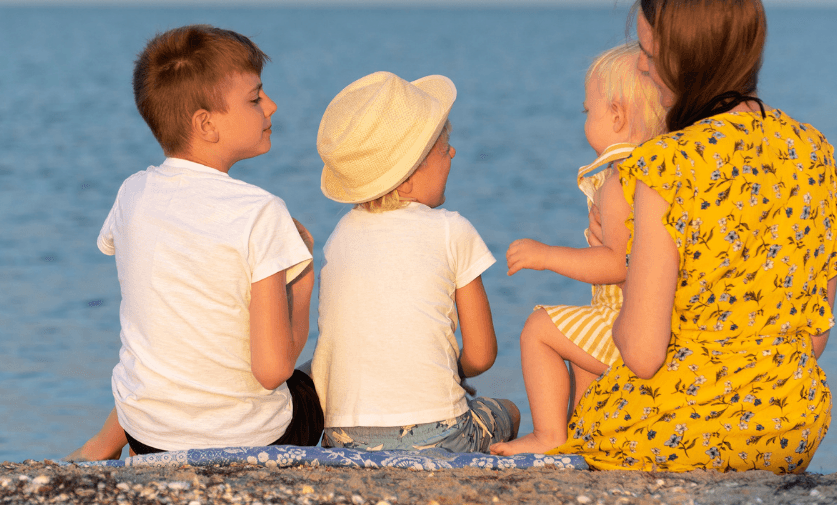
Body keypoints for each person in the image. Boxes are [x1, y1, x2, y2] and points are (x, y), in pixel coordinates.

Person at [547, 0, 837, 473]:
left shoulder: (666, 164)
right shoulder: (813, 150)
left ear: (685, 59)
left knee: (589, 411)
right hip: (790, 427)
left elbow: (643, 354)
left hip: (677, 428)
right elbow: (815, 338)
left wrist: (628, 263)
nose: (643, 68)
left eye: (648, 53)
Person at [65, 25, 323, 460]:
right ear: (205, 124)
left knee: (171, 338)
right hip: (250, 441)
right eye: (256, 98)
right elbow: (273, 370)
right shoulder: (260, 212)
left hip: (147, 434)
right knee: (330, 371)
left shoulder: (133, 193)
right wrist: (302, 277)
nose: (272, 106)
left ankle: (102, 444)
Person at [311, 71, 521, 453]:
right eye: (445, 147)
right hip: (438, 434)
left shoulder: (340, 236)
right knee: (508, 411)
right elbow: (482, 353)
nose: (453, 152)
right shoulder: (450, 230)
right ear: (405, 181)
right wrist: (452, 372)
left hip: (343, 436)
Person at [490, 43, 666, 456]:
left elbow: (617, 263)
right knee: (581, 346)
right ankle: (585, 433)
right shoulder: (660, 166)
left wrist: (546, 255)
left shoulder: (622, 179)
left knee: (540, 329)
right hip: (649, 321)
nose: (586, 120)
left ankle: (549, 434)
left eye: (589, 111)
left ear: (618, 115)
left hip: (631, 323)